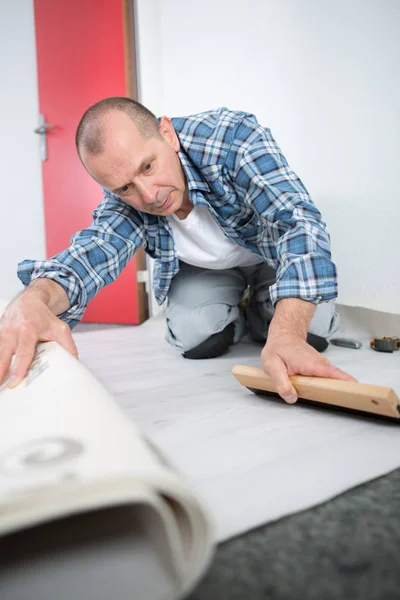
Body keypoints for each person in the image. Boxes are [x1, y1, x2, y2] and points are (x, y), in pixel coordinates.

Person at [0, 97, 355, 401]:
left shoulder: (232, 138)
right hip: (209, 271)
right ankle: (245, 312)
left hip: (269, 256)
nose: (149, 195)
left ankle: (266, 307)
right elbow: (93, 253)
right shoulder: (126, 197)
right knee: (196, 335)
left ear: (167, 134)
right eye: (125, 188)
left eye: (148, 166)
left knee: (313, 329)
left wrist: (287, 334)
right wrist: (34, 298)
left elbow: (297, 221)